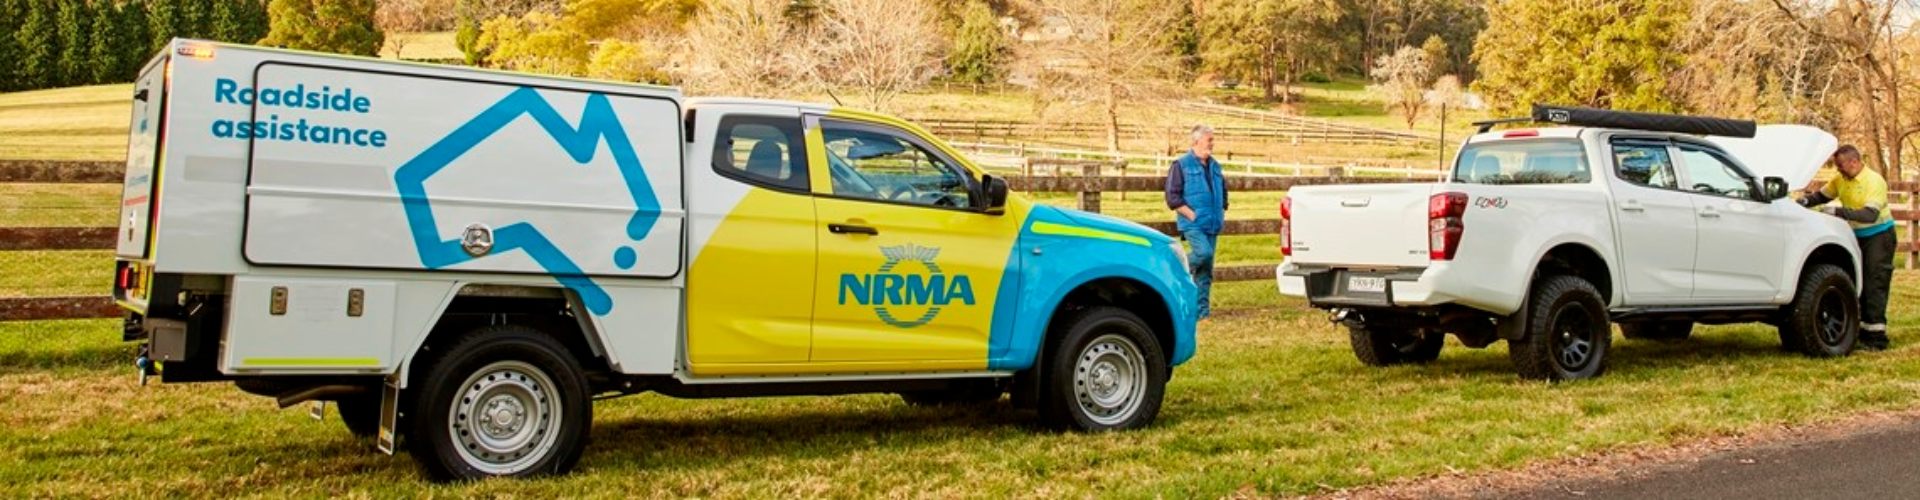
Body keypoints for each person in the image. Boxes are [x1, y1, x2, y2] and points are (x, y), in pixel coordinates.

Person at [1799, 145, 1894, 350]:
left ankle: (1877, 338)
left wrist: (1838, 212)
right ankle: (1860, 332)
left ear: (1854, 162)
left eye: (1841, 165)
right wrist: (1801, 203)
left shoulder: (1874, 181)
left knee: (1874, 282)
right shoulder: (1840, 179)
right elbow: (1820, 196)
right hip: (1855, 236)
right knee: (1855, 282)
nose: (1839, 170)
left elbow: (1870, 215)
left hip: (1879, 235)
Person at [1165, 124, 1227, 320]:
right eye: (1209, 140)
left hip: (1213, 223)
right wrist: (1192, 215)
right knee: (1203, 254)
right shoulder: (1181, 165)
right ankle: (1176, 267)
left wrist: (1222, 208)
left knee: (1206, 271)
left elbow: (1223, 191)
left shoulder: (1215, 166)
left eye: (1212, 140)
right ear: (1196, 141)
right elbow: (1172, 198)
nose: (1212, 144)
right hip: (1193, 223)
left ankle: (1201, 313)